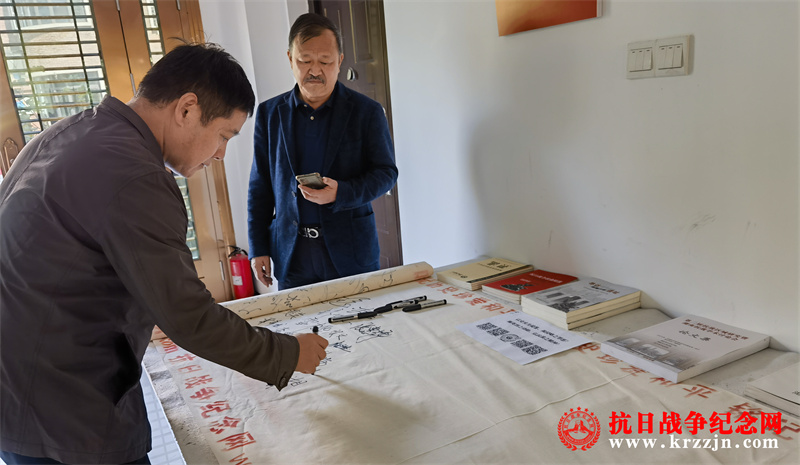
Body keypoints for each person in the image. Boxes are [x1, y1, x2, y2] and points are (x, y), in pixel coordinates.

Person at [0, 43, 328, 465]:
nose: (221, 154)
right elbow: (188, 315)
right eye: (224, 135)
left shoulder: (72, 130)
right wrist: (287, 353)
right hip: (61, 405)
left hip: (19, 387)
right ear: (187, 109)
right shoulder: (135, 173)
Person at [248, 13, 398, 290]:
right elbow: (260, 186)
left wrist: (341, 192)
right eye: (305, 60)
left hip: (350, 253)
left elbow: (386, 174)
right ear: (290, 59)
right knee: (299, 320)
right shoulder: (269, 114)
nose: (315, 70)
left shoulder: (367, 112)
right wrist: (258, 248)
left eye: (325, 61)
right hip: (292, 257)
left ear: (340, 61)